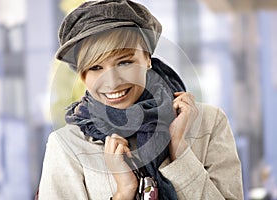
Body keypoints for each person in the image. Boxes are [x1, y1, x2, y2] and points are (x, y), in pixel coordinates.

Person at [38, 0, 244, 199]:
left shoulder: (209, 122)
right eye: (95, 67)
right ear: (83, 76)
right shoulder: (66, 145)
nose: (112, 82)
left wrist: (180, 152)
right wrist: (123, 192)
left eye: (124, 62)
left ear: (147, 59)